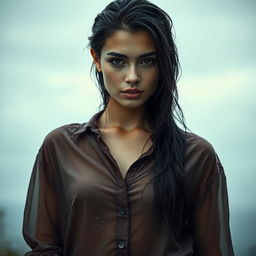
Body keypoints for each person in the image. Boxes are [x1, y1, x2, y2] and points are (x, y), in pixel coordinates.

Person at [22, 0, 234, 255]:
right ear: (96, 59)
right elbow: (44, 248)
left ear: (162, 65)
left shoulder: (197, 156)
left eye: (147, 61)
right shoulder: (60, 146)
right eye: (118, 61)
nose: (132, 76)